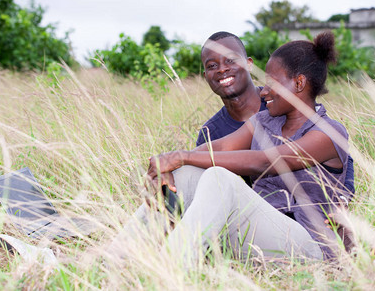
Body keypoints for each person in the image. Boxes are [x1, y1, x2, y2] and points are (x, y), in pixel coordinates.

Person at [147, 31, 350, 262]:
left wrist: (182, 156)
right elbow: (221, 147)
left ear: (299, 83)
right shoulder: (264, 121)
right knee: (184, 174)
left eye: (271, 83)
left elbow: (264, 161)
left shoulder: (328, 132)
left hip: (307, 245)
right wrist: (168, 163)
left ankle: (168, 269)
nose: (263, 91)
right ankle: (117, 260)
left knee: (219, 177)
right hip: (258, 235)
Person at [194, 31, 355, 197]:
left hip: (291, 211)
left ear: (249, 64)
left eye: (231, 60)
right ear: (205, 76)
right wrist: (171, 163)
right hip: (257, 206)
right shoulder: (213, 131)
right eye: (212, 66)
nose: (222, 69)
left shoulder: (285, 106)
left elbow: (339, 154)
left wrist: (344, 195)